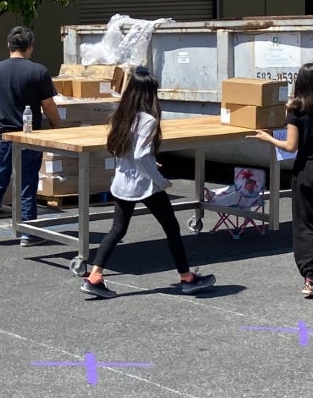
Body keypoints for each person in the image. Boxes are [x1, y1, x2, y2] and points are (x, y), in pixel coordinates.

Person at [79, 69, 216, 299]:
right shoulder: (148, 120)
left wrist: (151, 163)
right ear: (148, 94)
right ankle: (187, 278)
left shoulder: (120, 115)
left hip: (123, 181)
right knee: (171, 228)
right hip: (143, 184)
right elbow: (142, 155)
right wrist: (160, 180)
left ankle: (95, 277)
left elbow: (128, 152)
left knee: (117, 230)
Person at [247, 63, 313, 298]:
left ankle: (310, 277)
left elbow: (291, 146)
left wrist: (268, 139)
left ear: (299, 83)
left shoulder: (296, 110)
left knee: (305, 223)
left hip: (306, 169)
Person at [0, 26, 62, 246]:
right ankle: (28, 232)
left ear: (9, 45)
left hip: (1, 135)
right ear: (30, 47)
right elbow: (47, 104)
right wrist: (58, 125)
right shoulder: (38, 71)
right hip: (28, 137)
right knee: (27, 183)